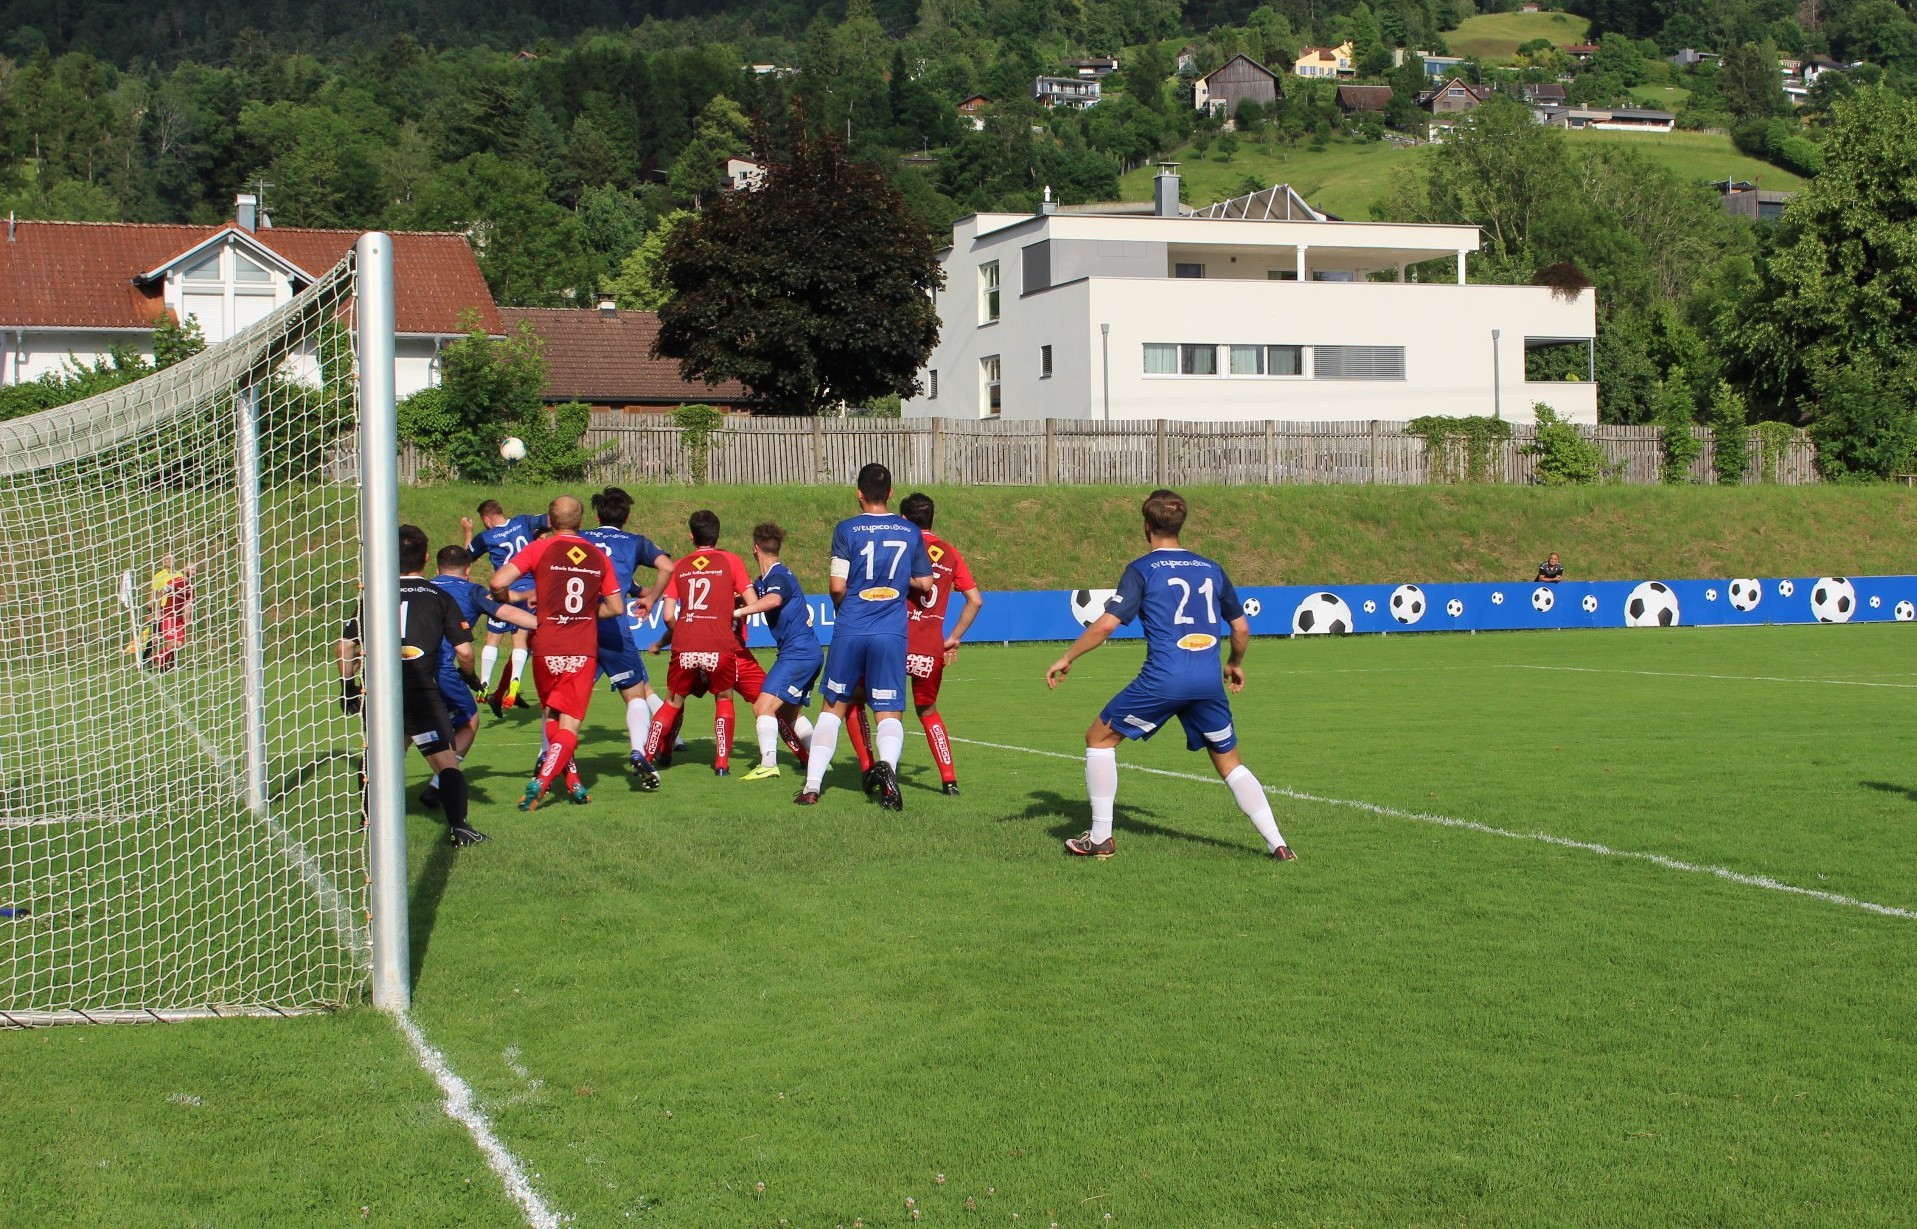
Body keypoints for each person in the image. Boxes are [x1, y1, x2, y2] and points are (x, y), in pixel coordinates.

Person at [1044, 489, 1296, 862]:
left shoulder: (1142, 570)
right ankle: (1278, 843)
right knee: (1229, 762)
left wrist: (1068, 657)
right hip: (1208, 682)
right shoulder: (1211, 568)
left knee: (1098, 738)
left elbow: (1107, 625)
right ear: (1181, 525)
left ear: (1146, 527)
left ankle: (1100, 838)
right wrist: (1235, 663)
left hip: (1164, 678)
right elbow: (1241, 629)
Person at [337, 525, 489, 846]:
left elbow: (345, 647)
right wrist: (469, 676)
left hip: (380, 694)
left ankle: (368, 822)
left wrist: (348, 686)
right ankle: (460, 827)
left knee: (377, 759)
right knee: (445, 761)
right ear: (424, 557)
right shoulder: (440, 596)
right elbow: (464, 651)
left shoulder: (373, 596)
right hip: (421, 691)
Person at [795, 463, 933, 810]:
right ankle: (887, 773)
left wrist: (848, 607)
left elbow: (837, 586)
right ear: (890, 493)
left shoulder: (846, 530)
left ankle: (812, 787)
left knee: (832, 708)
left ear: (858, 493)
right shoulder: (909, 531)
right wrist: (900, 583)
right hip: (891, 630)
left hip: (852, 627)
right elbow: (926, 583)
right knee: (888, 712)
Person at [487, 496, 624, 812]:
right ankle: (540, 785)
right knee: (571, 725)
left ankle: (573, 782)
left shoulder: (539, 548)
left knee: (551, 713)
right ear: (581, 521)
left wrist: (515, 595)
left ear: (549, 521)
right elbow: (616, 607)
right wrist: (588, 611)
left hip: (547, 645)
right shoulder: (597, 556)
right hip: (580, 647)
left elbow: (497, 582)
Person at [641, 511, 753, 775]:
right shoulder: (731, 561)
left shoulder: (678, 565)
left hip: (686, 642)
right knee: (724, 697)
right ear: (718, 534)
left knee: (672, 702)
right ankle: (722, 764)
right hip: (719, 642)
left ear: (691, 536)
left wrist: (684, 631)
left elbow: (668, 615)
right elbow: (751, 600)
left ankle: (647, 756)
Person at [426, 545, 537, 809]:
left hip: (403, 668)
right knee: (469, 720)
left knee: (408, 729)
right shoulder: (471, 590)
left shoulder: (423, 587)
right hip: (441, 670)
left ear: (437, 569)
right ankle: (439, 785)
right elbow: (506, 612)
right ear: (468, 570)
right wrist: (547, 623)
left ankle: (376, 789)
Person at [580, 486, 674, 789]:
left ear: (596, 515)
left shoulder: (579, 538)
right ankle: (638, 750)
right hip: (613, 626)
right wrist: (653, 599)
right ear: (627, 516)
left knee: (567, 700)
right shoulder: (634, 542)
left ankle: (548, 756)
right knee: (634, 693)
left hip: (576, 627)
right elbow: (667, 566)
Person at [899, 492, 984, 796]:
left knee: (874, 707)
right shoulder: (949, 552)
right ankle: (949, 780)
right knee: (928, 711)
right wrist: (954, 638)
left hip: (895, 643)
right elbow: (975, 600)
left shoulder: (901, 546)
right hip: (930, 650)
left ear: (904, 520)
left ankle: (876, 771)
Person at [734, 523, 824, 780]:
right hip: (805, 652)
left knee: (762, 707)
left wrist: (737, 612)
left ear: (754, 549)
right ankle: (820, 759)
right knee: (788, 712)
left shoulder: (778, 576)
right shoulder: (765, 580)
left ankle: (768, 763)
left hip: (798, 653)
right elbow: (752, 596)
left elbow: (772, 600)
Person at [462, 500, 548, 711]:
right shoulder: (523, 522)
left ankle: (484, 682)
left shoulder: (486, 537)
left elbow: (463, 559)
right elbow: (548, 519)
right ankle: (515, 681)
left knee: (493, 639)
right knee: (520, 639)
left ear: (486, 519)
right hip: (529, 590)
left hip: (503, 591)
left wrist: (468, 531)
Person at [146, 562, 196, 672]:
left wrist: (187, 617)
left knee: (179, 644)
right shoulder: (175, 582)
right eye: (192, 570)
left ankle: (155, 660)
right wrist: (158, 611)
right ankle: (161, 666)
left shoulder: (191, 588)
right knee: (172, 643)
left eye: (195, 570)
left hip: (178, 619)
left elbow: (188, 604)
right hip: (168, 616)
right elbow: (160, 594)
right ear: (186, 570)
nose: (194, 573)